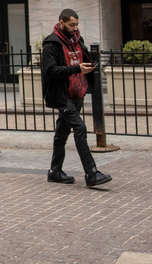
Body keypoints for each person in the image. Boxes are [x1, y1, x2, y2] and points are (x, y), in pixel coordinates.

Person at [42, 9, 111, 188]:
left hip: (77, 91)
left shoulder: (77, 40)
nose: (74, 28)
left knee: (62, 133)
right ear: (61, 22)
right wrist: (76, 69)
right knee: (80, 128)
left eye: (77, 25)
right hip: (61, 94)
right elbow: (49, 71)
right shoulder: (52, 43)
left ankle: (55, 171)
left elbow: (82, 60)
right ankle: (91, 173)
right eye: (71, 25)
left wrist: (88, 67)